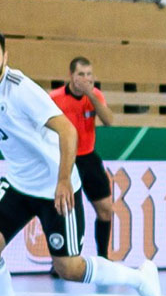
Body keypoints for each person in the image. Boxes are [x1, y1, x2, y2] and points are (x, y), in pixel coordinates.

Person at [0, 27, 161, 296]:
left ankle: (140, 279)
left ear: (5, 57)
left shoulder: (21, 90)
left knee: (70, 268)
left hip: (55, 184)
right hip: (19, 182)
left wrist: (64, 180)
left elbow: (67, 131)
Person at [48, 57, 130, 260]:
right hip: (66, 160)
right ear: (71, 76)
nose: (85, 78)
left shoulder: (95, 96)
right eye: (81, 74)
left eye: (89, 74)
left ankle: (103, 258)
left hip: (89, 158)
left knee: (105, 210)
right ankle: (62, 260)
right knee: (64, 212)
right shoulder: (55, 98)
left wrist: (90, 95)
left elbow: (109, 121)